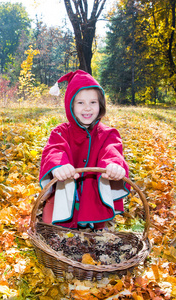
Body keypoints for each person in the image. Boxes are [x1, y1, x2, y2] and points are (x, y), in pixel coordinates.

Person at [39, 70, 130, 230]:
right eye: (80, 103)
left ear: (100, 104)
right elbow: (55, 150)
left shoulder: (108, 134)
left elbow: (111, 151)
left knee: (95, 239)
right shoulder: (61, 132)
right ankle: (56, 236)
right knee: (51, 229)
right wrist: (60, 166)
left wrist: (113, 165)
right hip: (63, 193)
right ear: (70, 105)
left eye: (93, 102)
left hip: (93, 196)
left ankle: (94, 234)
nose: (87, 108)